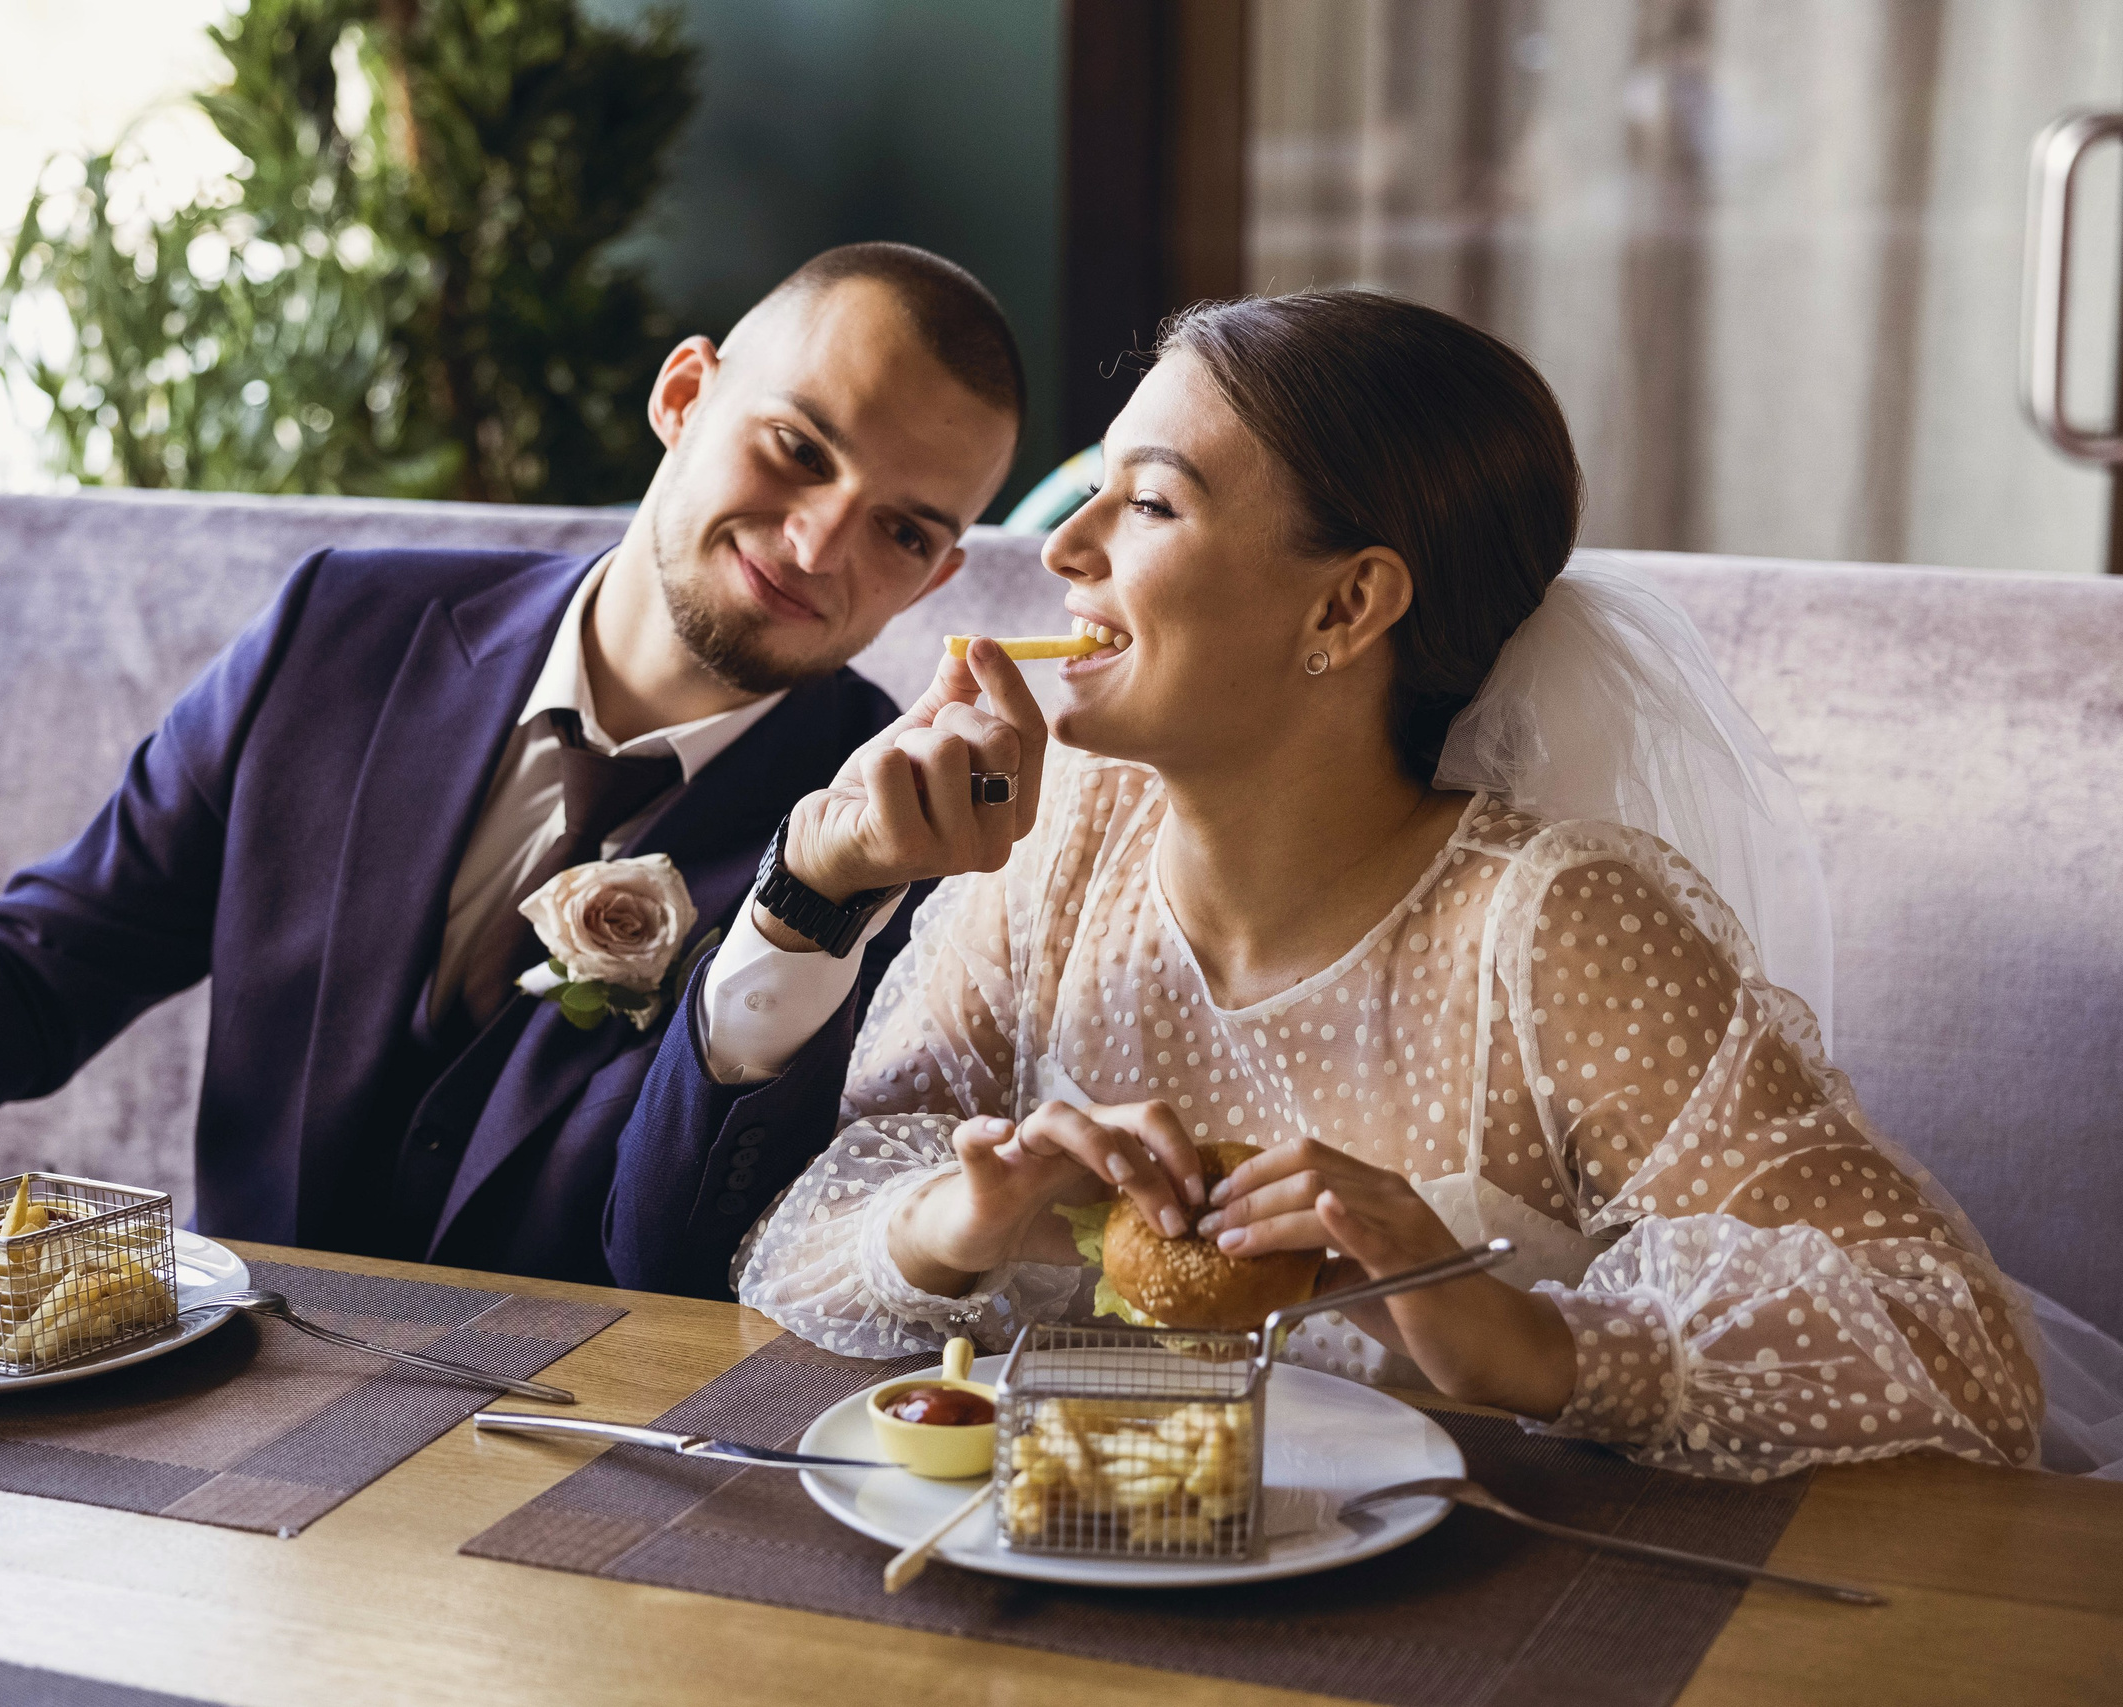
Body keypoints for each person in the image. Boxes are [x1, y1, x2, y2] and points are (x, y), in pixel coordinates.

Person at [630, 288, 2055, 1477]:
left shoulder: (1557, 930)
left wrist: (1542, 1345)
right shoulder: (1054, 860)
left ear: (1347, 606)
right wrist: (960, 1222)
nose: (1061, 550)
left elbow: (1962, 1353)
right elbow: (794, 1245)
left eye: (1151, 506)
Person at [0, 242, 1037, 1292]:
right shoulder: (341, 627)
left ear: (937, 577)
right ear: (683, 394)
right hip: (224, 1407)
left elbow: (703, 1259)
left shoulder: (896, 841)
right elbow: (51, 964)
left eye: (903, 531)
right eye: (795, 449)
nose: (817, 545)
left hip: (580, 1467)